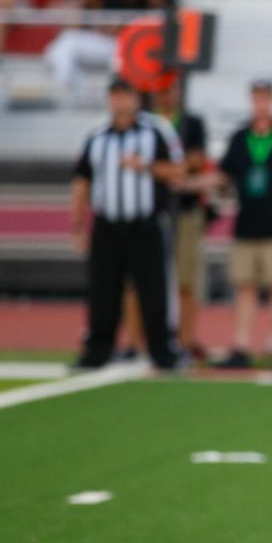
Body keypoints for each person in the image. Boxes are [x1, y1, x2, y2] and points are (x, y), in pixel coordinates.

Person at [72, 78, 182, 371]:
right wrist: (78, 224)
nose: (120, 103)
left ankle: (162, 351)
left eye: (126, 96)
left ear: (136, 99)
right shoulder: (96, 137)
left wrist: (144, 165)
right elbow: (82, 181)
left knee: (154, 291)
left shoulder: (155, 131)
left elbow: (176, 171)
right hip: (107, 226)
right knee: (103, 291)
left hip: (145, 225)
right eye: (115, 96)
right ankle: (97, 351)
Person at [216, 79, 272, 369]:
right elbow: (224, 175)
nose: (261, 104)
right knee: (245, 287)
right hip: (247, 223)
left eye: (265, 99)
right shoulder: (241, 137)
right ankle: (241, 346)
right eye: (256, 99)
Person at [154, 76, 210, 360]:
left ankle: (185, 340)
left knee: (187, 278)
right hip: (152, 210)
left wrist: (160, 168)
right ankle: (143, 340)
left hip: (185, 210)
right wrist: (174, 168)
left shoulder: (191, 122)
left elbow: (199, 159)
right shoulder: (148, 123)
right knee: (146, 280)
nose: (166, 95)